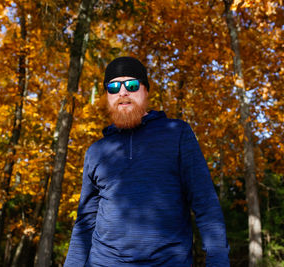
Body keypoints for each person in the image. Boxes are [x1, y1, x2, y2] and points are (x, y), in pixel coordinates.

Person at [64, 57, 229, 267]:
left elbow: (205, 204)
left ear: (146, 91)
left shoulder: (177, 133)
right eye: (113, 87)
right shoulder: (96, 152)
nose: (122, 92)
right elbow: (86, 222)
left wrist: (218, 261)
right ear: (107, 96)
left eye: (131, 85)